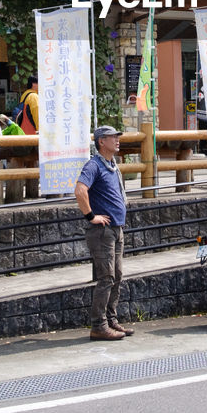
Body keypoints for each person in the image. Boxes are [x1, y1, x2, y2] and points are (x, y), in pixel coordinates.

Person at [74, 125, 132, 340]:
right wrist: (91, 216)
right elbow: (80, 190)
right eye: (113, 137)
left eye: (118, 137)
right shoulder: (94, 165)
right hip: (102, 231)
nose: (117, 140)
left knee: (116, 277)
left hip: (116, 229)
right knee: (106, 278)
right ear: (101, 141)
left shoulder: (111, 165)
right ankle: (98, 325)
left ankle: (111, 320)